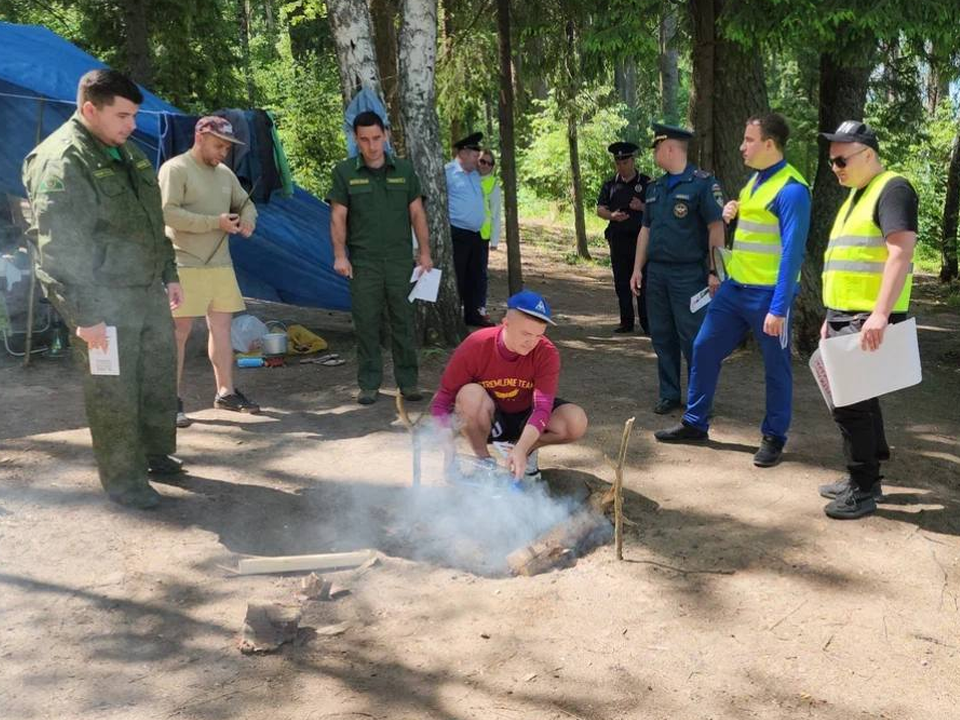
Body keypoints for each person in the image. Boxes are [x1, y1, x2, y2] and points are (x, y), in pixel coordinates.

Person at [22, 69, 183, 510]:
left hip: (145, 291)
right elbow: (59, 250)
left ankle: (154, 453)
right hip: (102, 301)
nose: (132, 125)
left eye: (133, 115)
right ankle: (124, 480)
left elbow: (152, 220)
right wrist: (85, 316)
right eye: (123, 116)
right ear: (90, 109)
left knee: (154, 378)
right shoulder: (62, 160)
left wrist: (169, 271)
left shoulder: (124, 152)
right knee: (112, 390)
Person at [655, 113, 811, 468]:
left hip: (768, 295)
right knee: (704, 347)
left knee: (776, 366)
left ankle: (774, 437)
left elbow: (791, 253)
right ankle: (695, 423)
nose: (742, 146)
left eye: (749, 140)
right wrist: (733, 211)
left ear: (769, 145)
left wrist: (780, 307)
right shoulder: (755, 181)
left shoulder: (792, 189)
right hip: (734, 290)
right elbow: (757, 226)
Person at [814, 121, 918, 519]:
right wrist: (830, 315)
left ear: (868, 154)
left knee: (849, 403)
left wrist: (879, 314)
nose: (835, 168)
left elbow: (900, 253)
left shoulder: (892, 188)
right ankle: (867, 475)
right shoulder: (857, 195)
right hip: (845, 314)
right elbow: (845, 262)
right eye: (832, 162)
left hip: (867, 315)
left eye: (841, 160)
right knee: (860, 397)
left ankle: (862, 486)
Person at [158, 116, 260, 427]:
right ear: (200, 137)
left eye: (227, 148)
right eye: (219, 146)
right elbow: (167, 213)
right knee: (179, 333)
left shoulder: (225, 174)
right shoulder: (175, 169)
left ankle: (226, 392)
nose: (223, 153)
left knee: (222, 328)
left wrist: (248, 220)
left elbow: (246, 203)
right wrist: (214, 223)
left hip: (219, 262)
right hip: (183, 261)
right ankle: (169, 401)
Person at [329, 110, 433, 405]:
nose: (372, 146)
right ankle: (369, 384)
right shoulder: (345, 172)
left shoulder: (404, 170)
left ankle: (409, 382)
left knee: (403, 321)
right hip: (364, 262)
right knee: (366, 322)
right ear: (356, 139)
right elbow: (338, 216)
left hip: (400, 261)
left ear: (385, 134)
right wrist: (340, 255)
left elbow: (417, 213)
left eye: (376, 138)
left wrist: (424, 253)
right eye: (365, 140)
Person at [431, 290, 588, 482]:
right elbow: (443, 398)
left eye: (539, 335)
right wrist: (447, 446)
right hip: (489, 418)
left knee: (575, 420)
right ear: (506, 324)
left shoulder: (546, 353)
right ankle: (483, 460)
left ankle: (524, 452)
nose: (532, 342)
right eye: (526, 333)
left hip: (526, 417)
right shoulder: (476, 344)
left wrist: (522, 448)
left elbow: (542, 407)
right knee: (469, 394)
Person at [629, 124, 725, 414]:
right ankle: (669, 394)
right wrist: (637, 269)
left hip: (690, 275)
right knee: (662, 335)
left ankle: (699, 400)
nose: (655, 153)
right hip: (657, 274)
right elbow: (645, 230)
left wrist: (714, 271)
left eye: (657, 147)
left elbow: (716, 228)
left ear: (670, 148)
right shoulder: (654, 188)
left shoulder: (703, 184)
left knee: (694, 338)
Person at [597, 141, 651, 334]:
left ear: (632, 160)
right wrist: (611, 216)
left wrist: (642, 207)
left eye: (625, 162)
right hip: (618, 240)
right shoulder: (610, 185)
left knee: (644, 282)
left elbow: (659, 208)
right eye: (618, 163)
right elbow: (600, 209)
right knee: (621, 281)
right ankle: (626, 321)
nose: (621, 166)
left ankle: (647, 323)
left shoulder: (646, 183)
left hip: (641, 242)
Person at [445, 132, 492, 327]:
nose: (478, 160)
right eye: (475, 155)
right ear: (463, 153)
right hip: (458, 233)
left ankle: (473, 315)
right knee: (459, 276)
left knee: (476, 276)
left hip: (477, 235)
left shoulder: (474, 174)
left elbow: (489, 172)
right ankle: (453, 315)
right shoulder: (447, 173)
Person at [478, 149, 502, 324]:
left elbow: (495, 213)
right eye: (482, 161)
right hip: (463, 232)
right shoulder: (468, 178)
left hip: (482, 235)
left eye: (489, 163)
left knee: (480, 274)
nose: (485, 165)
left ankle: (480, 307)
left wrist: (494, 239)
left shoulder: (492, 184)